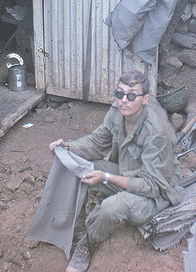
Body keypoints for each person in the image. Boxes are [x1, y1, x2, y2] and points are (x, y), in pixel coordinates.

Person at [49, 70, 182, 272]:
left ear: (145, 99)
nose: (123, 101)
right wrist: (68, 147)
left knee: (112, 208)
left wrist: (108, 177)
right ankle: (79, 229)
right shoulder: (117, 112)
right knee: (74, 167)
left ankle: (87, 244)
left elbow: (152, 185)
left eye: (131, 96)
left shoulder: (156, 134)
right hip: (127, 172)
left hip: (156, 193)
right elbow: (97, 142)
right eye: (119, 94)